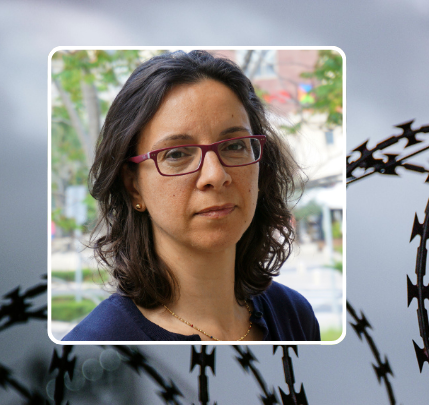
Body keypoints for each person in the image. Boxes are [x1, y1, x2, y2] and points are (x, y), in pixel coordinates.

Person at [61, 50, 320, 342]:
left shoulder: (294, 316)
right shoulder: (97, 345)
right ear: (133, 186)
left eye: (235, 146)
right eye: (177, 154)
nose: (215, 175)